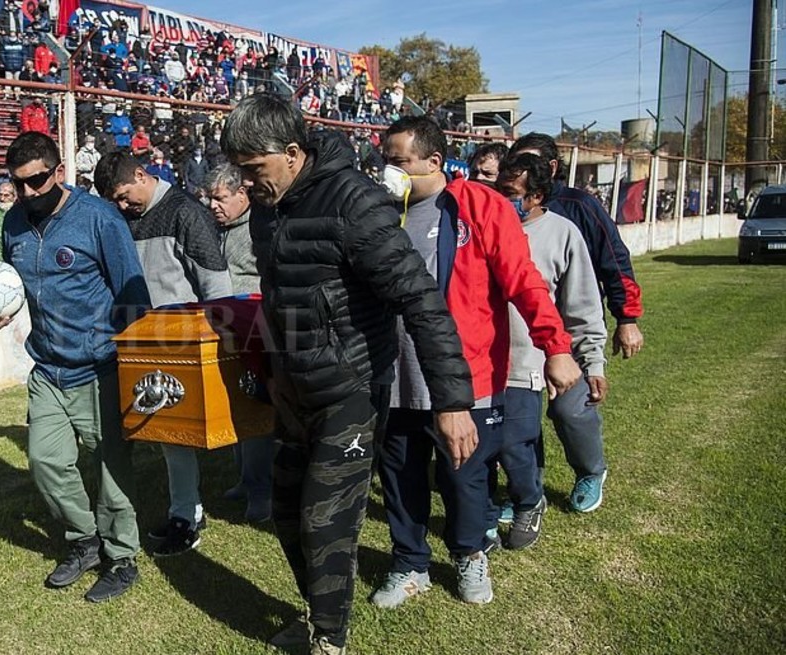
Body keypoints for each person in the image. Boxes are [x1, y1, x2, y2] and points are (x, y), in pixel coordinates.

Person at [219, 95, 475, 655]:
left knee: (323, 520)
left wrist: (451, 402)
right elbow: (279, 291)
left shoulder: (356, 202)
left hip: (353, 390)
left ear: (291, 154)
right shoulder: (267, 205)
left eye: (253, 170)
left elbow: (422, 304)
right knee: (287, 514)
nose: (245, 183)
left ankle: (329, 639)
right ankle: (317, 612)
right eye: (238, 170)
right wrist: (273, 366)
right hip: (294, 388)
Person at [369, 117, 577, 613]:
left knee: (465, 477)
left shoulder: (479, 206)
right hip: (393, 375)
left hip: (467, 377)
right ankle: (410, 561)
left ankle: (469, 554)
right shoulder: (377, 213)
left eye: (399, 161)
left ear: (434, 162)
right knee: (400, 475)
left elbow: (523, 280)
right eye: (385, 161)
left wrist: (557, 345)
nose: (389, 172)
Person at [0, 131, 149, 603]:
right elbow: (6, 281)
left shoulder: (99, 219)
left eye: (37, 181)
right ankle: (84, 541)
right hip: (47, 367)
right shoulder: (12, 224)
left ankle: (122, 557)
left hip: (100, 367)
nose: (28, 193)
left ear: (59, 172)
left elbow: (134, 296)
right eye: (19, 184)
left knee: (111, 469)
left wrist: (129, 360)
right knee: (46, 461)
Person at [94, 151, 233, 559]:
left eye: (124, 195)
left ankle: (185, 518)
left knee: (176, 435)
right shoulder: (121, 217)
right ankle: (184, 511)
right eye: (114, 201)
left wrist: (221, 339)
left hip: (181, 344)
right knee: (157, 430)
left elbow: (214, 279)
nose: (122, 205)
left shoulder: (185, 213)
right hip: (139, 342)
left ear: (142, 174)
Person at [507, 133, 644, 513]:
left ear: (549, 171)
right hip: (517, 343)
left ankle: (589, 469)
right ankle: (527, 493)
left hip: (565, 334)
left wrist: (626, 317)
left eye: (530, 165)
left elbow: (613, 261)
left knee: (569, 409)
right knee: (519, 420)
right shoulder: (496, 221)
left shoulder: (578, 208)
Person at [493, 153, 607, 550]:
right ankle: (525, 490)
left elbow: (582, 304)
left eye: (510, 192)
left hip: (530, 361)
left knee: (516, 437)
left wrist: (591, 361)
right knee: (503, 442)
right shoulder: (483, 225)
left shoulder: (562, 234)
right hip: (483, 358)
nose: (500, 197)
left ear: (537, 196)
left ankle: (537, 498)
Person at [204, 163, 271, 522]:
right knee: (234, 406)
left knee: (256, 411)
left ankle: (262, 492)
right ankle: (245, 480)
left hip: (257, 330)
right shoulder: (219, 230)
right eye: (210, 198)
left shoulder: (260, 227)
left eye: (221, 198)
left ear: (243, 195)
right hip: (226, 329)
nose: (214, 205)